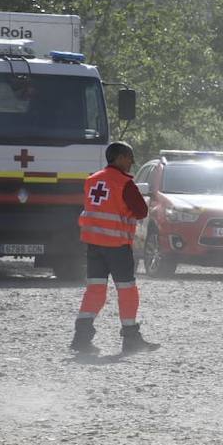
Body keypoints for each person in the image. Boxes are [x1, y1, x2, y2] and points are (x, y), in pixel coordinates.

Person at [71, 141, 160, 355]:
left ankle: (81, 339)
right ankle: (131, 339)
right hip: (117, 246)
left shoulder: (92, 180)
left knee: (95, 291)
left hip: (94, 246)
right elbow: (140, 211)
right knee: (127, 291)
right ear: (119, 158)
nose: (131, 162)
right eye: (129, 157)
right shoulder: (124, 183)